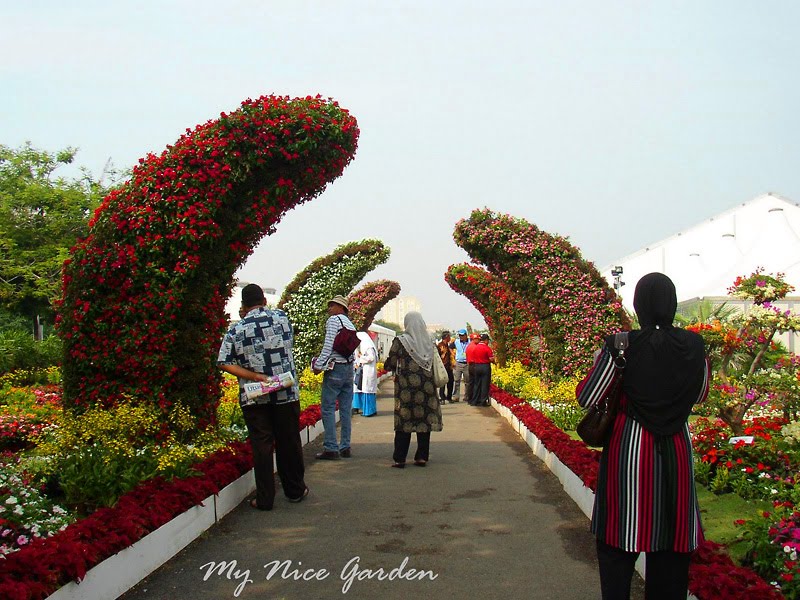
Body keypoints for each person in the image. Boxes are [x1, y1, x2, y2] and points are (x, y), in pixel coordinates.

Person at [576, 273, 710, 600]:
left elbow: (588, 395)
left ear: (638, 305)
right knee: (672, 545)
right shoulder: (694, 345)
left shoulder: (622, 344)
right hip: (675, 448)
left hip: (630, 452)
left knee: (618, 543)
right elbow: (702, 393)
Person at [217, 283, 308, 510]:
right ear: (264, 301)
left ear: (243, 305)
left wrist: (254, 376)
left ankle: (265, 499)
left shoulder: (236, 329)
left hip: (255, 396)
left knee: (262, 446)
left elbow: (224, 363)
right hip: (285, 392)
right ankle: (295, 490)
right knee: (289, 442)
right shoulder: (281, 318)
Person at [383, 311, 443, 468]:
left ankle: (400, 459)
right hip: (427, 388)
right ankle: (422, 457)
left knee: (404, 422)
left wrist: (389, 365)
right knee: (424, 422)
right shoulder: (430, 342)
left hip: (406, 389)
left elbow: (392, 361)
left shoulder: (400, 341)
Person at [312, 295, 357, 459]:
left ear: (340, 307)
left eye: (332, 305)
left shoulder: (334, 321)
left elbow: (328, 345)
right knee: (345, 409)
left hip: (335, 368)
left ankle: (331, 447)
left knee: (328, 407)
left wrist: (318, 365)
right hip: (348, 368)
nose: (329, 308)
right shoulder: (349, 323)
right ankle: (345, 446)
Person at [354, 331, 378, 417]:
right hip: (368, 370)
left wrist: (361, 358)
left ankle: (368, 411)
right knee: (368, 390)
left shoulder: (367, 346)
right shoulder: (368, 345)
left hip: (368, 371)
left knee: (368, 390)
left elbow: (370, 358)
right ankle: (370, 410)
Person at [469, 333, 495, 406]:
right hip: (485, 366)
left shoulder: (476, 348)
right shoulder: (487, 348)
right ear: (486, 340)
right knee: (484, 384)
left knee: (476, 384)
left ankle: (474, 400)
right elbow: (491, 359)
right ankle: (483, 401)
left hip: (476, 366)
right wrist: (494, 362)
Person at [450, 329, 471, 402]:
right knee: (456, 380)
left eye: (462, 335)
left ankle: (467, 396)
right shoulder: (456, 342)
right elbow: (450, 347)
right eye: (460, 335)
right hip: (458, 363)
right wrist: (453, 354)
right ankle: (456, 396)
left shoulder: (470, 342)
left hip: (467, 363)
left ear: (466, 335)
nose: (461, 337)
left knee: (467, 381)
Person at [436, 331, 455, 403]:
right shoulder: (440, 345)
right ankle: (442, 398)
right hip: (442, 366)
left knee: (451, 382)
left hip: (449, 366)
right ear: (446, 337)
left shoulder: (448, 345)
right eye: (449, 337)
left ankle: (449, 397)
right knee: (443, 383)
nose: (450, 338)